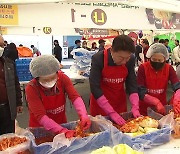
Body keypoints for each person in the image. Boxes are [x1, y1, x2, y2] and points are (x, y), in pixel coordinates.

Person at [25, 55, 91, 138]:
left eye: (53, 78)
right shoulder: (31, 88)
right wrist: (61, 131)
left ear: (57, 73)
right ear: (37, 78)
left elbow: (75, 97)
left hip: (61, 123)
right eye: (45, 80)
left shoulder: (63, 78)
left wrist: (83, 115)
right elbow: (40, 116)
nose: (50, 82)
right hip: (40, 129)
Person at [90, 35, 140, 126]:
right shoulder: (98, 58)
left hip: (119, 102)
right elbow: (95, 87)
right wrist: (111, 112)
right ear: (112, 50)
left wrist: (135, 106)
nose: (124, 61)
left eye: (127, 58)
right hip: (101, 104)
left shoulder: (130, 59)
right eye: (121, 58)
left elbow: (132, 83)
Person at [137, 43, 180, 115]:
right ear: (149, 57)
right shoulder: (143, 68)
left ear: (165, 59)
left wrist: (177, 98)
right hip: (145, 106)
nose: (157, 62)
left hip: (161, 107)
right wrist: (155, 101)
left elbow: (177, 85)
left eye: (160, 60)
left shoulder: (169, 68)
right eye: (154, 59)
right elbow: (140, 90)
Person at [0, 35, 23, 135]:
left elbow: (15, 82)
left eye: (2, 45)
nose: (1, 48)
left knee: (9, 137)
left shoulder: (8, 63)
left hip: (7, 107)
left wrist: (18, 102)